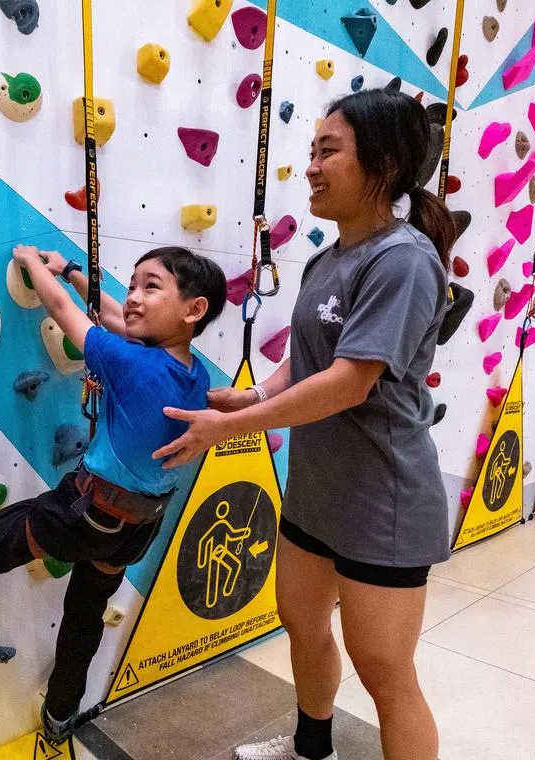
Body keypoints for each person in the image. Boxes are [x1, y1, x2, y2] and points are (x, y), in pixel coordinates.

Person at [153, 88, 456, 760]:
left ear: (381, 163)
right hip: (318, 491)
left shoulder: (402, 260)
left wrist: (233, 427)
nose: (312, 167)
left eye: (328, 151)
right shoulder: (328, 259)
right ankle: (311, 749)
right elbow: (310, 360)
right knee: (301, 622)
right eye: (311, 150)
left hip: (385, 502)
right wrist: (253, 395)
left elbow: (352, 382)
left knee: (383, 669)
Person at [0, 244, 227, 744]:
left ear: (194, 309)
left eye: (150, 287)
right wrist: (73, 271)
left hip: (86, 513)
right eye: (133, 285)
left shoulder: (132, 364)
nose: (134, 297)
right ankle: (61, 712)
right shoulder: (192, 373)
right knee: (85, 611)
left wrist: (33, 263)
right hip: (137, 527)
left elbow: (62, 313)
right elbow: (119, 321)